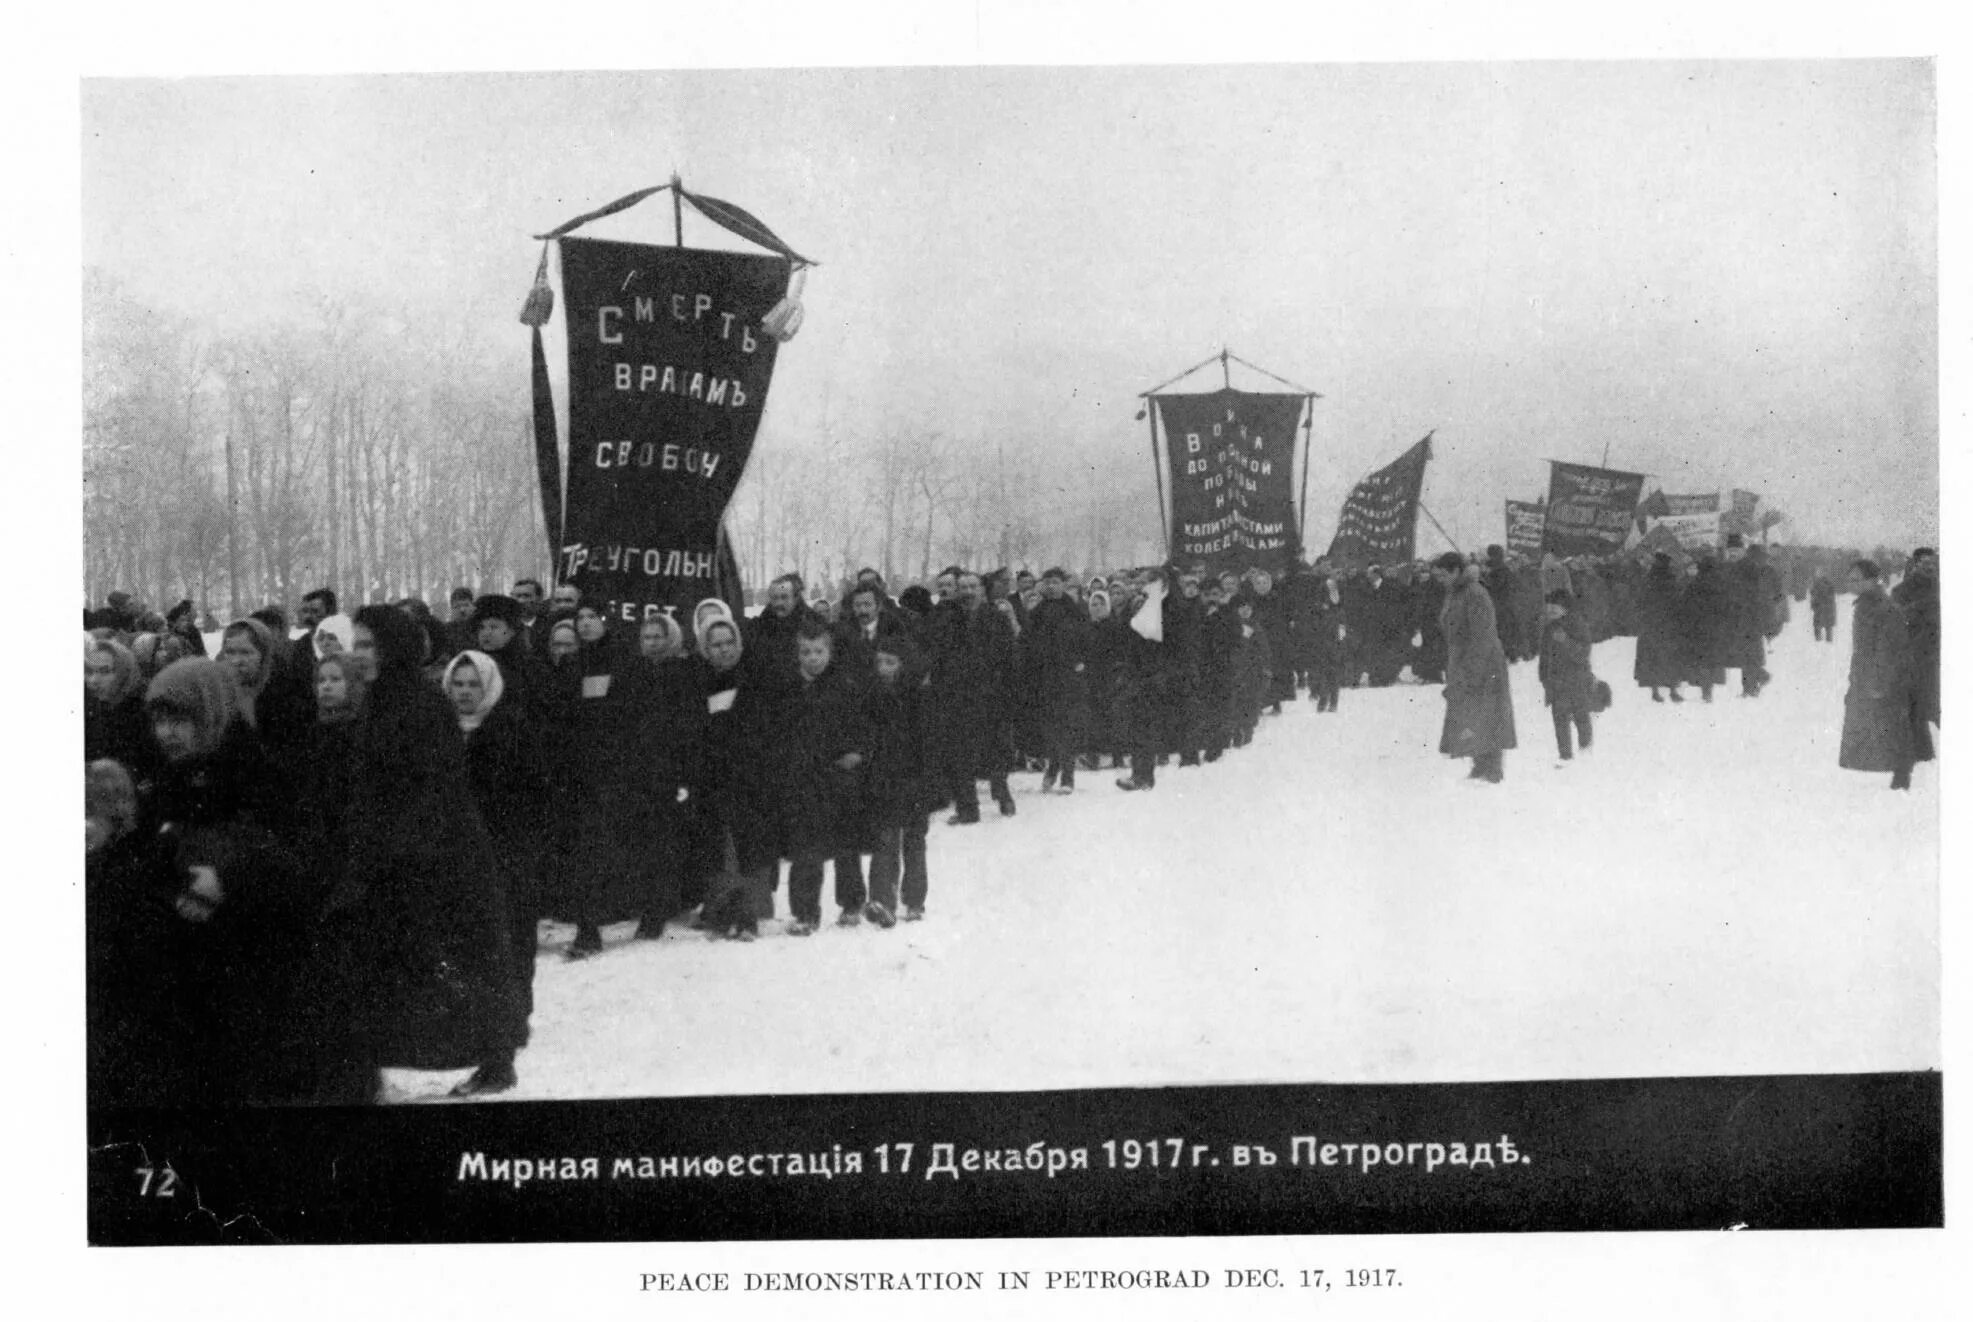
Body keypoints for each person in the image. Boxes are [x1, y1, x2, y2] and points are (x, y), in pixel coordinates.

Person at [316, 606, 519, 1103]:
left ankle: (496, 1060)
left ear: (392, 650)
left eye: (366, 645)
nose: (355, 654)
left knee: (462, 960)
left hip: (435, 857)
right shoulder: (383, 699)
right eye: (355, 644)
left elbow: (430, 789)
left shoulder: (420, 705)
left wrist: (391, 854)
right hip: (400, 853)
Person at [133, 658, 313, 1103]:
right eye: (159, 721)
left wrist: (227, 880)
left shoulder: (258, 769)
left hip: (253, 962)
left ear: (211, 711)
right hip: (191, 957)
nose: (167, 734)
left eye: (180, 720)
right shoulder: (172, 774)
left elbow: (297, 858)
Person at [445, 650, 555, 1095]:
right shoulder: (442, 734)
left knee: (508, 951)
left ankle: (504, 1044)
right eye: (459, 684)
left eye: (474, 684)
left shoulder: (510, 729)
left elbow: (535, 796)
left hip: (507, 860)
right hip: (460, 862)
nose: (466, 693)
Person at [775, 624, 872, 935]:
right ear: (797, 653)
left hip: (838, 776)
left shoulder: (844, 686)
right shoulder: (788, 688)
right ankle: (805, 912)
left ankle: (851, 902)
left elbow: (863, 726)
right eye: (806, 652)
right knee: (805, 847)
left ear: (830, 652)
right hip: (802, 777)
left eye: (819, 652)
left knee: (845, 843)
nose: (813, 658)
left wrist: (857, 753)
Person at [689, 618, 779, 940]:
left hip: (750, 776)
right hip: (714, 778)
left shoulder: (755, 679)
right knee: (719, 848)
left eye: (729, 642)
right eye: (716, 644)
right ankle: (720, 910)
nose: (724, 649)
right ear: (705, 649)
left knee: (750, 847)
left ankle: (748, 916)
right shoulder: (700, 683)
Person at [861, 634, 939, 924]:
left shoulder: (919, 698)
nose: (883, 668)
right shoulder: (872, 697)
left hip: (915, 780)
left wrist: (931, 783)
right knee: (885, 840)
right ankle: (881, 899)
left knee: (915, 842)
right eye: (879, 662)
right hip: (884, 780)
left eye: (890, 662)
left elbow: (929, 743)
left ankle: (915, 899)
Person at [1839, 561, 1929, 791]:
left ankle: (1902, 777)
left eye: (1857, 579)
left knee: (1893, 725)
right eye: (1850, 579)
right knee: (1882, 726)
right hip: (1872, 676)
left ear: (1872, 580)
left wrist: (1880, 682)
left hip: (1887, 679)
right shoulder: (1866, 605)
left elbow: (1889, 649)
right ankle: (1897, 774)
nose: (1851, 583)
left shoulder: (1883, 607)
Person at [1433, 551, 1515, 783]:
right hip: (1463, 661)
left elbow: (1483, 636)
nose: (1439, 580)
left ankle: (1493, 768)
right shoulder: (1455, 593)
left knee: (1488, 712)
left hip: (1484, 662)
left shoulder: (1475, 594)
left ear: (1456, 571)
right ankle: (1479, 763)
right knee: (1470, 712)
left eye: (1442, 575)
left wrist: (1471, 670)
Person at [1023, 568, 1090, 793]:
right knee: (1051, 726)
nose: (1052, 586)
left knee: (1068, 725)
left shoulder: (1075, 610)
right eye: (1048, 582)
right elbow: (1029, 642)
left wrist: (1081, 661)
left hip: (1069, 676)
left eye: (1056, 582)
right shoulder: (1038, 611)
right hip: (1046, 677)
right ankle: (1053, 766)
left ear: (1063, 584)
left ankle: (1067, 776)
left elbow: (1086, 638)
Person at [85, 636, 160, 778]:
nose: (94, 680)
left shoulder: (146, 711)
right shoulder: (96, 708)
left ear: (124, 670)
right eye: (90, 672)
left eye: (105, 671)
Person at [1538, 590, 1596, 765]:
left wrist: (1566, 642)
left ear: (1565, 608)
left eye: (1555, 606)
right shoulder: (1549, 627)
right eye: (1548, 606)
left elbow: (1583, 654)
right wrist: (1543, 677)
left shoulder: (1577, 625)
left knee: (1581, 716)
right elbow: (1545, 655)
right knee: (1560, 720)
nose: (1550, 609)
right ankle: (1565, 755)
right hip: (1556, 683)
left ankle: (1585, 748)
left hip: (1576, 680)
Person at [1892, 547, 1939, 735]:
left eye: (1932, 562)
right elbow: (1896, 617)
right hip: (1918, 649)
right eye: (1925, 563)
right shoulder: (1904, 589)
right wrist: (1923, 607)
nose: (1930, 567)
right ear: (1915, 564)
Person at [1632, 552, 1686, 702]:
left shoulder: (1647, 580)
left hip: (1651, 625)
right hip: (1669, 625)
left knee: (1652, 658)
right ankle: (1673, 690)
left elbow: (1639, 602)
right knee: (1671, 658)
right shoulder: (1672, 580)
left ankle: (1654, 691)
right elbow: (1678, 603)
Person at [1809, 571, 1839, 643]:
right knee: (1827, 627)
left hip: (1822, 608)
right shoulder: (1827, 583)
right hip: (1825, 609)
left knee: (1820, 627)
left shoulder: (1817, 583)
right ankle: (1825, 643)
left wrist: (1813, 605)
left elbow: (1814, 595)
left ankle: (1820, 642)